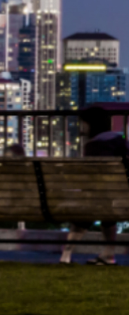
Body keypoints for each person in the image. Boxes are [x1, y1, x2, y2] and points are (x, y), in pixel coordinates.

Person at [60, 107, 127, 266]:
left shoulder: (94, 145)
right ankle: (108, 255)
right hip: (121, 195)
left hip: (102, 196)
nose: (81, 127)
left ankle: (66, 254)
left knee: (88, 207)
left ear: (91, 124)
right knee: (107, 209)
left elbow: (90, 178)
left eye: (83, 123)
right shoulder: (121, 139)